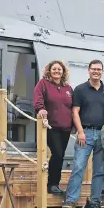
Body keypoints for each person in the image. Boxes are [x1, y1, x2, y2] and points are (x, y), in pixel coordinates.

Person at [62, 60, 104, 208]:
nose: (96, 72)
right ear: (89, 71)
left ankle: (95, 201)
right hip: (85, 133)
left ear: (102, 72)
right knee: (79, 166)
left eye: (99, 69)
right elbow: (75, 112)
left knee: (99, 171)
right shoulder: (80, 89)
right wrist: (80, 132)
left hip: (103, 134)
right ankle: (71, 200)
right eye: (93, 69)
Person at [33, 60, 73, 195]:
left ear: (63, 72)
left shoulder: (68, 88)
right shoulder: (43, 84)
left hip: (66, 127)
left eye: (59, 69)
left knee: (60, 155)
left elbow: (72, 106)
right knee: (57, 153)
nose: (57, 71)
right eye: (54, 69)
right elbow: (38, 99)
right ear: (49, 71)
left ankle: (55, 183)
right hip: (50, 126)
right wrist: (41, 109)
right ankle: (52, 184)